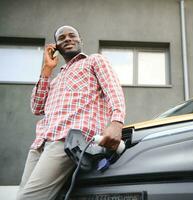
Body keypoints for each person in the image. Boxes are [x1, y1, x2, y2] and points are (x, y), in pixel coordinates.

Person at [16, 25, 126, 200]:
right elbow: (36, 107)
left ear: (80, 40)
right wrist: (47, 69)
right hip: (40, 144)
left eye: (71, 35)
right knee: (21, 195)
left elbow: (113, 90)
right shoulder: (55, 79)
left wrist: (117, 122)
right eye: (61, 38)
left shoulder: (94, 60)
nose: (67, 39)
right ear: (56, 47)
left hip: (68, 140)